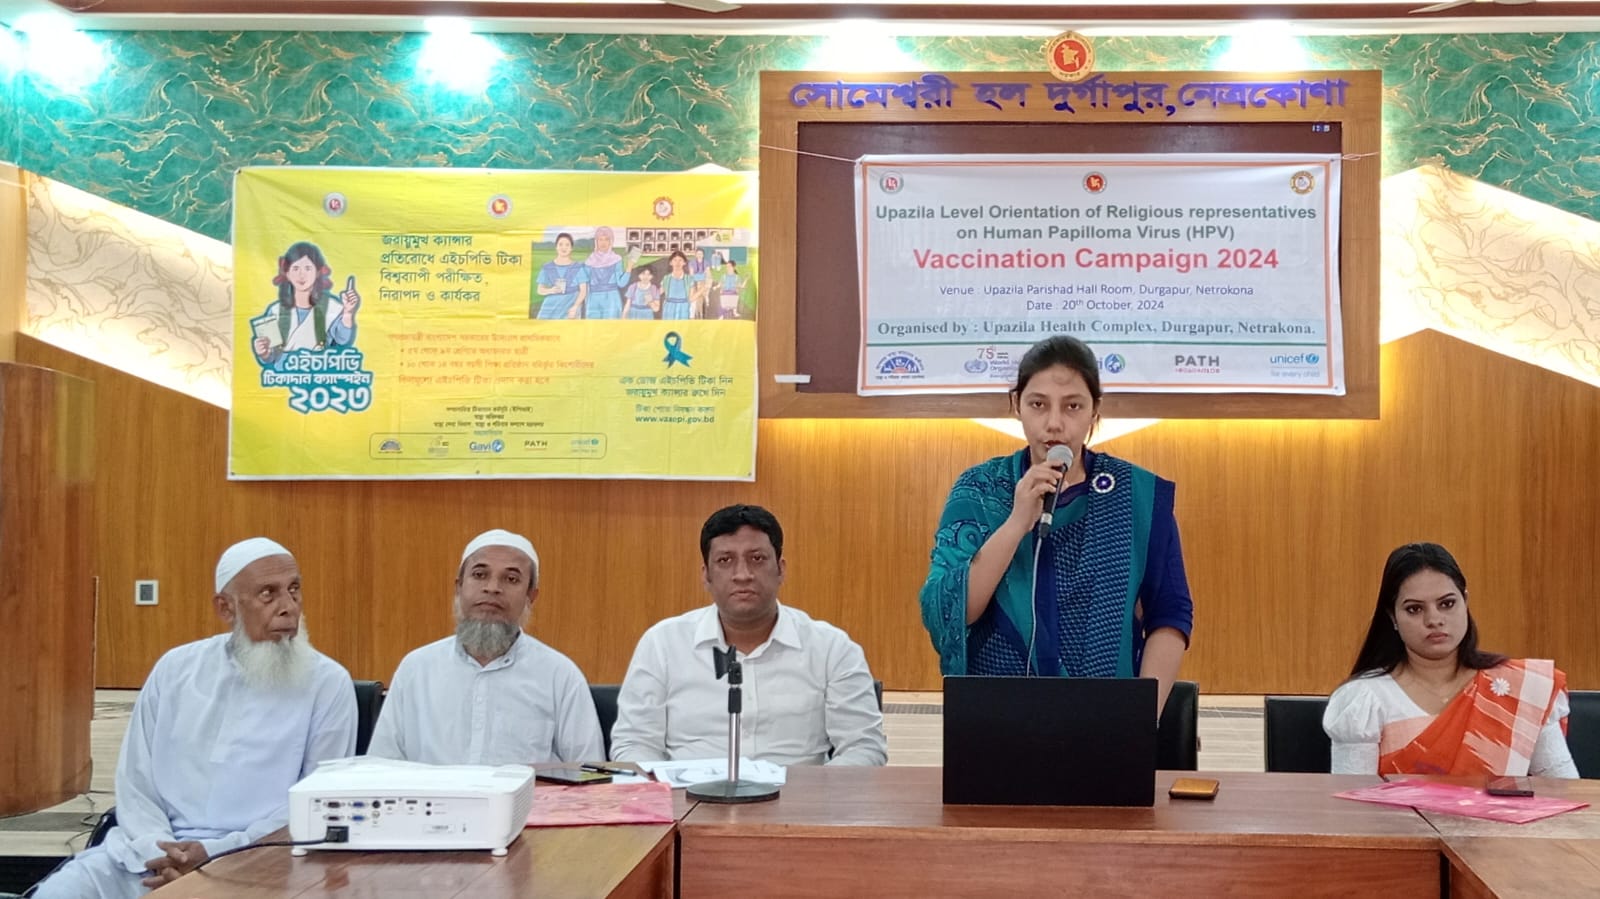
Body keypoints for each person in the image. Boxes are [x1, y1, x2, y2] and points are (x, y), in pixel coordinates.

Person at [33, 538, 357, 899]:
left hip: (258, 864)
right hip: (146, 857)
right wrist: (160, 853)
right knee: (60, 892)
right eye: (268, 594)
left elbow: (315, 804)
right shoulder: (176, 669)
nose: (288, 607)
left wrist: (214, 854)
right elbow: (136, 781)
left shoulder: (328, 683)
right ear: (225, 608)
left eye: (293, 589)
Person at [918, 335, 1193, 717]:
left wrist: (1142, 718)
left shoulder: (1136, 495)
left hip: (1106, 718)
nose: (1054, 423)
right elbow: (949, 610)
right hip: (996, 714)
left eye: (1073, 406)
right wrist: (1016, 522)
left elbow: (1170, 612)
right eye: (1038, 404)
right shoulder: (979, 490)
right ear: (1016, 405)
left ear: (1095, 410)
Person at [610, 505, 887, 766]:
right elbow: (634, 743)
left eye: (757, 559)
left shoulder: (832, 648)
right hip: (689, 796)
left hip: (797, 797)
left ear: (780, 569)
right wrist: (667, 791)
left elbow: (863, 747)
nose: (742, 575)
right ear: (706, 575)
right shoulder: (663, 644)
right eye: (725, 560)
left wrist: (814, 794)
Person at [1323, 542, 1578, 777]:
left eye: (1446, 604)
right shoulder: (1366, 700)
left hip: (1504, 816)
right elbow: (1352, 804)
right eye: (1414, 609)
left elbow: (1563, 790)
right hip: (1391, 816)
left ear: (1465, 601)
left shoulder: (1523, 689)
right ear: (1393, 617)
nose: (1433, 619)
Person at [366, 529, 603, 766]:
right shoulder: (416, 669)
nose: (492, 588)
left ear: (531, 596)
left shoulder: (560, 675)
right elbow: (380, 767)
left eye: (511, 579)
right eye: (480, 575)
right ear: (459, 587)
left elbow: (592, 773)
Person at [251, 241, 360, 363]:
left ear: (317, 272)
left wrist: (348, 312)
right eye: (295, 268)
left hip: (318, 370)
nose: (301, 275)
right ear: (287, 273)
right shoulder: (276, 310)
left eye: (308, 268)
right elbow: (271, 357)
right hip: (283, 373)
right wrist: (264, 353)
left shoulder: (331, 306)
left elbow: (343, 340)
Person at [581, 227, 635, 320]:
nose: (603, 242)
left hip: (611, 299)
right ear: (596, 241)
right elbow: (585, 285)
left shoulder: (616, 259)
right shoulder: (588, 261)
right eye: (600, 239)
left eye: (606, 239)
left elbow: (621, 283)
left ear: (611, 241)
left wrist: (629, 266)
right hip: (593, 300)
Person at [532, 232, 589, 319]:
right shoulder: (547, 267)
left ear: (571, 248)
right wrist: (550, 290)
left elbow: (583, 291)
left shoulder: (578, 267)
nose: (564, 248)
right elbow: (540, 290)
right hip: (549, 307)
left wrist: (575, 307)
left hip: (570, 307)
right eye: (560, 244)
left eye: (567, 245)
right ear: (556, 247)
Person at [660, 251, 696, 320]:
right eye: (675, 260)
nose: (677, 263)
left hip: (683, 309)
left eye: (680, 260)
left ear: (684, 262)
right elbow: (658, 292)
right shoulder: (666, 278)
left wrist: (703, 289)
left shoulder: (689, 279)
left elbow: (691, 299)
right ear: (670, 262)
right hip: (669, 309)